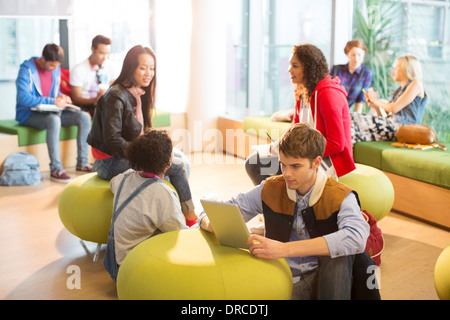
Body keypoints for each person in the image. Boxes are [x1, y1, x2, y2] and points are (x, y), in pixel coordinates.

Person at [200, 123, 378, 300]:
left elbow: (356, 237)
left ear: (316, 162)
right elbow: (225, 209)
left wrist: (284, 249)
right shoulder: (270, 188)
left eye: (295, 166)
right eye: (283, 165)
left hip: (324, 279)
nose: (286, 173)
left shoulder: (341, 196)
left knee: (339, 254)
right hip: (279, 277)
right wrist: (208, 221)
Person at [87, 45, 197, 226]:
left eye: (152, 68)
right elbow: (112, 139)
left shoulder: (138, 92)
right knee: (176, 166)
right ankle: (191, 218)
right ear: (131, 68)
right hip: (108, 161)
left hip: (125, 154)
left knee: (177, 158)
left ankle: (168, 217)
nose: (149, 73)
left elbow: (141, 132)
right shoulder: (116, 96)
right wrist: (146, 156)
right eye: (143, 68)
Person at [245, 43, 356, 185]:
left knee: (271, 170)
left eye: (295, 66)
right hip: (303, 157)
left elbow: (336, 144)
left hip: (325, 161)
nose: (289, 70)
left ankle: (281, 204)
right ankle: (272, 204)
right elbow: (295, 130)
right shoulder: (302, 91)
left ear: (309, 67)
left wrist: (298, 154)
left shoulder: (328, 94)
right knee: (254, 163)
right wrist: (279, 145)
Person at [103, 129, 189, 281]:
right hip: (138, 272)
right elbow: (179, 233)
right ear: (168, 162)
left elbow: (112, 184)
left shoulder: (124, 178)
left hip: (115, 266)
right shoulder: (163, 194)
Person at [15, 43, 92, 183]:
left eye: (57, 66)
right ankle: (56, 169)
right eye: (52, 66)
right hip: (29, 114)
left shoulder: (55, 69)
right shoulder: (26, 69)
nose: (55, 69)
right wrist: (52, 101)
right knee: (54, 120)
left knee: (84, 117)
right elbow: (23, 98)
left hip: (52, 111)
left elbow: (54, 92)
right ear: (43, 59)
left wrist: (62, 97)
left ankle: (82, 163)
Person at [351, 55, 427, 144]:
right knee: (351, 128)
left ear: (407, 69)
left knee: (352, 117)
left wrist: (375, 99)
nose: (393, 71)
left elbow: (394, 108)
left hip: (404, 130)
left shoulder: (416, 85)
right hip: (393, 127)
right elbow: (387, 119)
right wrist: (376, 107)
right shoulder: (399, 91)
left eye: (396, 67)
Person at [70, 35, 117, 115]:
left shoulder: (111, 66)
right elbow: (76, 98)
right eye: (102, 53)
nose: (105, 57)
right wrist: (96, 100)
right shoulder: (78, 69)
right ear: (92, 49)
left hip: (107, 104)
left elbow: (115, 87)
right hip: (87, 106)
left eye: (107, 54)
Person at [330, 39, 373, 113]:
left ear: (364, 53)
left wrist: (355, 118)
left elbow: (360, 99)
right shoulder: (336, 69)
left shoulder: (367, 73)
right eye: (353, 55)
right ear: (347, 54)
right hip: (330, 108)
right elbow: (328, 93)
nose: (356, 59)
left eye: (359, 55)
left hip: (347, 113)